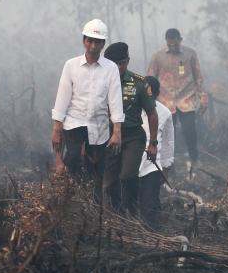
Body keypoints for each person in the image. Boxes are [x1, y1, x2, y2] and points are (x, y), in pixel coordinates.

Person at [51, 19, 124, 200]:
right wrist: (56, 128)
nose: (92, 46)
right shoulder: (71, 66)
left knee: (96, 168)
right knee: (74, 157)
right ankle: (68, 193)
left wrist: (117, 131)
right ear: (84, 41)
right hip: (74, 122)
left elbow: (115, 101)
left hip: (99, 126)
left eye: (97, 42)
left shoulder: (111, 68)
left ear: (103, 44)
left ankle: (92, 203)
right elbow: (63, 97)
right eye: (89, 41)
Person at [103, 42, 158, 215]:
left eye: (122, 63)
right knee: (109, 183)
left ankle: (133, 209)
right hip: (108, 137)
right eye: (115, 63)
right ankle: (117, 214)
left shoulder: (139, 83)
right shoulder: (99, 82)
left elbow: (152, 114)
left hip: (133, 136)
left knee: (127, 175)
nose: (119, 67)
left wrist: (153, 143)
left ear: (128, 61)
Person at [147, 28, 207, 175]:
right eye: (170, 44)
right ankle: (168, 165)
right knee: (167, 134)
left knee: (189, 131)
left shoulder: (190, 54)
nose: (173, 46)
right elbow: (150, 78)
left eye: (175, 43)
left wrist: (203, 97)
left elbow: (198, 77)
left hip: (186, 99)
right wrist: (148, 100)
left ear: (180, 40)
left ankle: (194, 159)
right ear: (166, 41)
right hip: (165, 101)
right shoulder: (158, 57)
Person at [138, 76, 174, 229]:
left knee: (150, 202)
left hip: (152, 164)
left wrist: (166, 168)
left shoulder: (164, 113)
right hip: (130, 162)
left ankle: (152, 232)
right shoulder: (130, 109)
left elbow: (168, 142)